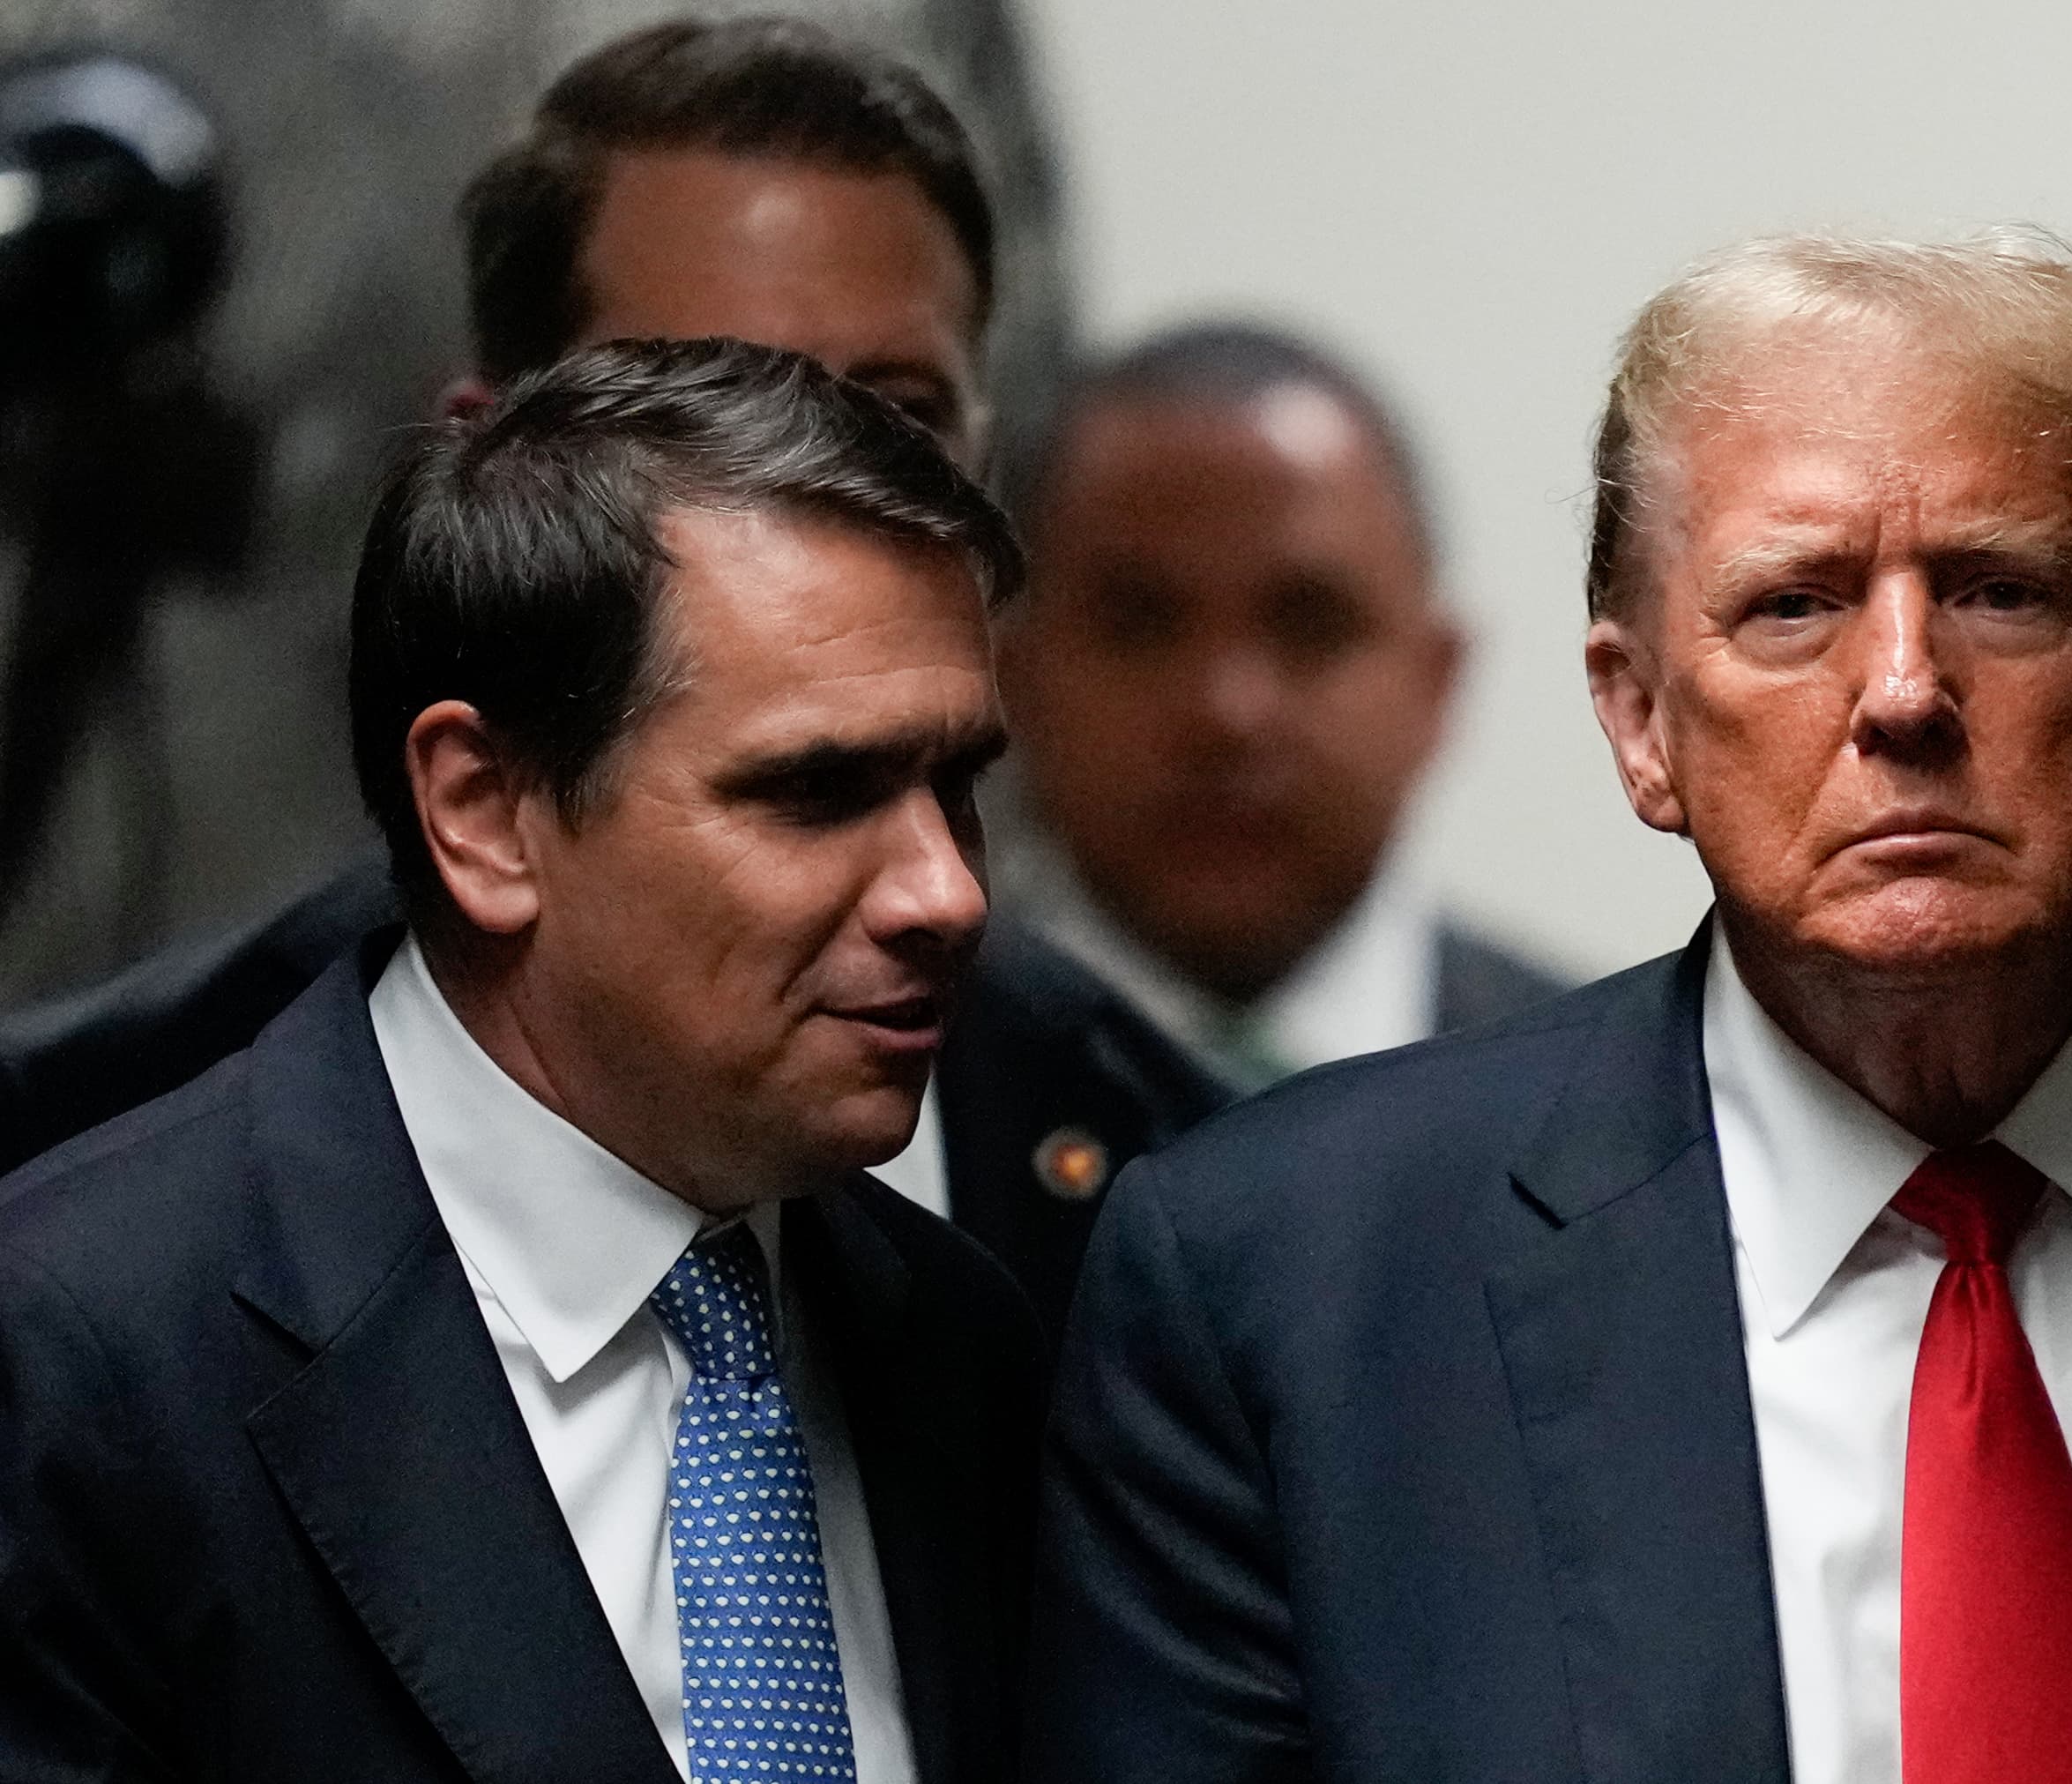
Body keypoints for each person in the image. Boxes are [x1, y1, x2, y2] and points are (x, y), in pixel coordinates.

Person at [1026, 233, 2072, 1782]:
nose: (1900, 689)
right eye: (1792, 602)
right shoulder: (1287, 1292)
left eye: (1999, 588)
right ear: (1637, 723)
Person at [0, 17, 1226, 1340]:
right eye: (701, 406)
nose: (824, 501)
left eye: (904, 417)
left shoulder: (1180, 1176)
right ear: (483, 458)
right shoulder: (68, 1180)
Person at [0, 340, 1044, 1780]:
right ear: (485, 814)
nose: (948, 890)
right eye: (818, 789)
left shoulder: (967, 1347)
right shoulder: (75, 1358)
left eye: (956, 783)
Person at [998, 324, 1569, 1092]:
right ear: (1012, 682)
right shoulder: (886, 1113)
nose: (1226, 713)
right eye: (1140, 624)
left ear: (1437, 682)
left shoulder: (1632, 1106)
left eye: (1311, 625)